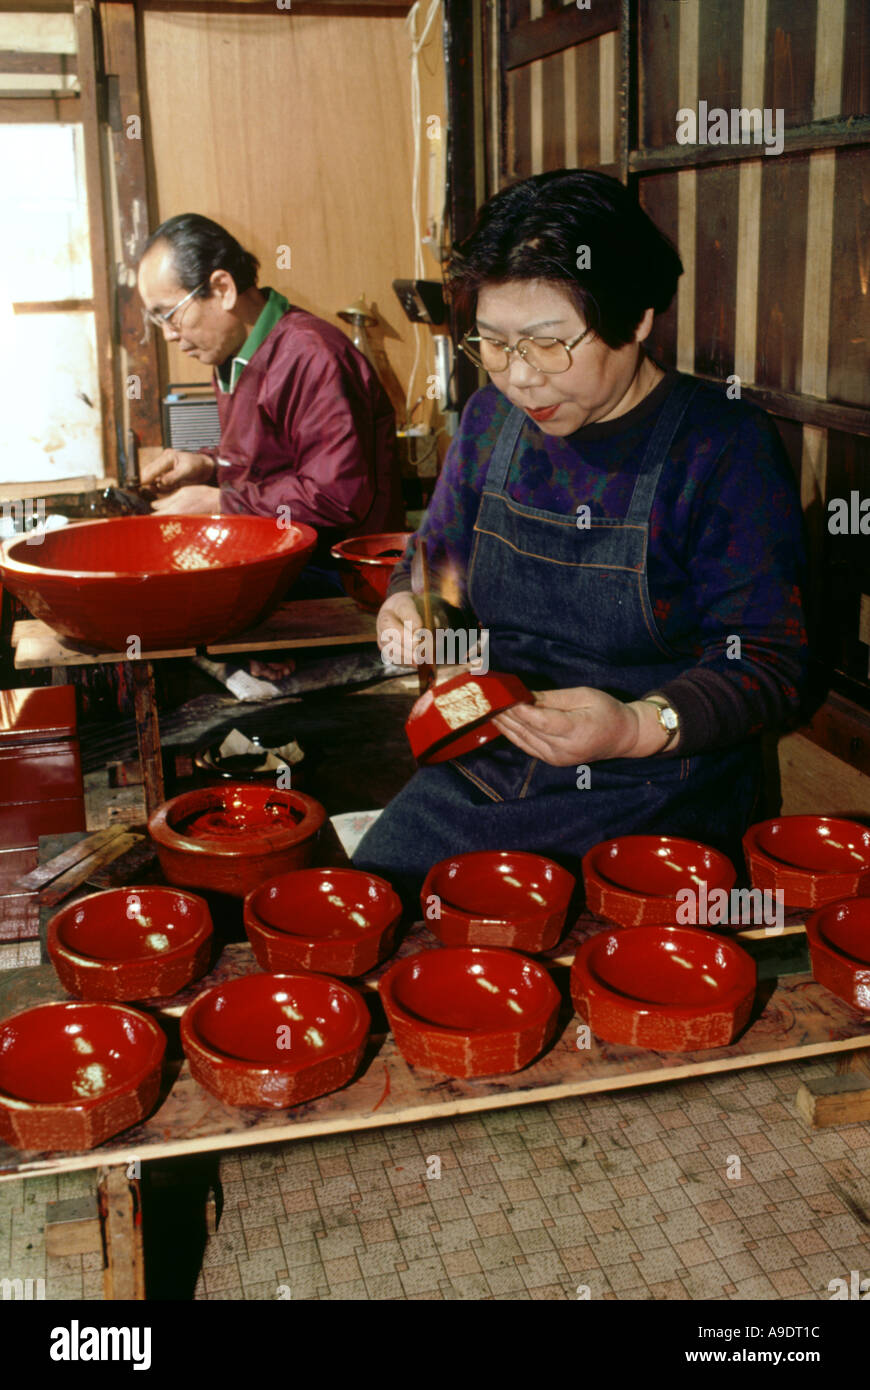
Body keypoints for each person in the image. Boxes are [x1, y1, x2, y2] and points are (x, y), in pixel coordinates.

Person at [352, 169, 809, 901]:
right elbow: (434, 566)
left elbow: (772, 664)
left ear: (635, 321)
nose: (520, 379)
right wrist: (412, 609)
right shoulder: (487, 422)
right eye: (494, 344)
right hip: (493, 760)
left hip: (661, 783)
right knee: (365, 909)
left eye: (548, 344)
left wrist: (633, 727)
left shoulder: (723, 447)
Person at [136, 214, 404, 591]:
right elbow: (271, 461)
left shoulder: (312, 354)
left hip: (338, 575)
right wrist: (208, 465)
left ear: (223, 287)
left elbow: (336, 497)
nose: (167, 335)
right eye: (156, 320)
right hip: (283, 557)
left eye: (170, 315)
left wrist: (220, 505)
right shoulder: (235, 354)